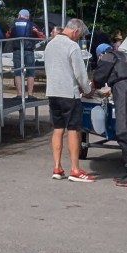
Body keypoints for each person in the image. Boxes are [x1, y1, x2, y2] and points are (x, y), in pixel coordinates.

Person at [42, 19, 96, 182]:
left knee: (58, 129)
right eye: (79, 35)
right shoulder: (72, 46)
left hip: (52, 91)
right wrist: (87, 90)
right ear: (75, 31)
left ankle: (57, 167)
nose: (79, 38)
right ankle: (75, 169)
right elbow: (80, 73)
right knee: (74, 130)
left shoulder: (50, 45)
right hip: (69, 94)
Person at [96, 34, 127, 186]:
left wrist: (93, 87)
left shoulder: (108, 57)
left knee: (124, 131)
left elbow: (99, 78)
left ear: (101, 53)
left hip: (123, 92)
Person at [9, 8, 44, 100]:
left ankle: (19, 94)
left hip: (17, 50)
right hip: (28, 51)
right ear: (28, 17)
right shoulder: (31, 25)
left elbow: (7, 35)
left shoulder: (14, 24)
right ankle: (30, 94)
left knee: (17, 73)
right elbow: (41, 35)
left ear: (19, 15)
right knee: (30, 73)